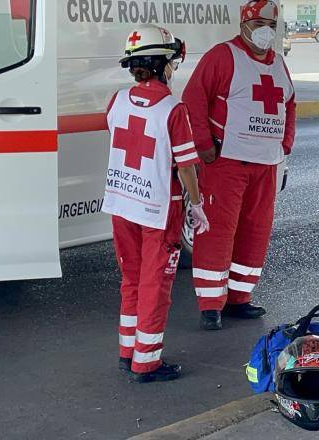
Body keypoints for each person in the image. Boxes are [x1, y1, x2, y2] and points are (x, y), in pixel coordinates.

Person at [104, 25, 209, 383]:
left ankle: (128, 351)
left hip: (122, 205)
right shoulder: (172, 109)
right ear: (163, 64)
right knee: (155, 285)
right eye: (172, 63)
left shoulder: (115, 101)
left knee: (131, 280)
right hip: (157, 210)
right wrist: (197, 206)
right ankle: (146, 362)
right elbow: (186, 166)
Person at [182, 0, 296, 330]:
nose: (266, 31)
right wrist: (204, 145)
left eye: (271, 26)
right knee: (217, 231)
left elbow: (289, 105)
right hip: (228, 163)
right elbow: (194, 99)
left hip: (266, 165)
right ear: (244, 24)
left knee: (254, 232)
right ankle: (210, 305)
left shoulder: (278, 64)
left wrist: (285, 144)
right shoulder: (222, 56)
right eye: (260, 23)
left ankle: (239, 297)